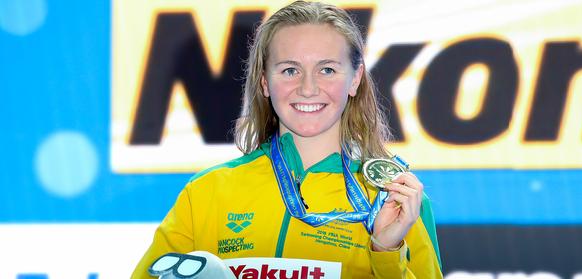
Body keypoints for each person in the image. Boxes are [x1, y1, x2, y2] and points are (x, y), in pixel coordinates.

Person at [132, 1, 442, 278]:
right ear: (265, 81)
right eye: (290, 70)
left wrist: (386, 252)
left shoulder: (395, 200)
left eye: (328, 69)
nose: (308, 88)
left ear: (356, 79)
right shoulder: (207, 193)